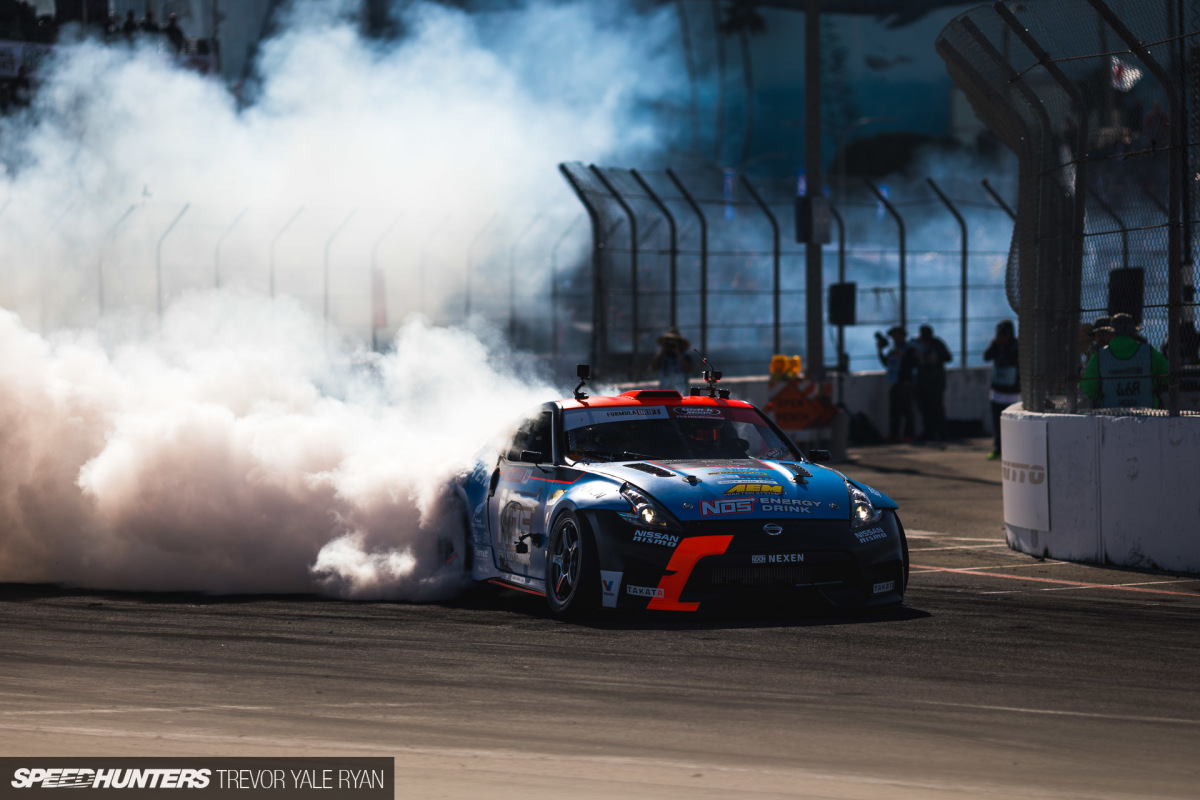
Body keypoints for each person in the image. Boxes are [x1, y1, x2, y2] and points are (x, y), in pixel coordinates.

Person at [1081, 313, 1167, 408]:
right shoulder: (1149, 352)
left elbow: (1089, 389)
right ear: (1134, 333)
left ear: (1111, 333)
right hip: (1148, 410)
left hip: (1110, 411)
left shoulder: (1100, 356)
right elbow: (1167, 376)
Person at [983, 320, 1019, 460]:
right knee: (997, 423)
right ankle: (998, 449)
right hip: (997, 391)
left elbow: (1015, 361)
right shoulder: (996, 345)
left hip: (1013, 392)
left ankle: (1013, 450)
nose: (1001, 336)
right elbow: (986, 357)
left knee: (1013, 423)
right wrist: (995, 344)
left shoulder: (1017, 346)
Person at [876, 326, 917, 442]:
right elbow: (887, 363)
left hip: (905, 382)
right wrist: (880, 351)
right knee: (894, 410)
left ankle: (908, 434)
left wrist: (903, 356)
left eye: (897, 336)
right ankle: (894, 434)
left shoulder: (909, 349)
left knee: (907, 409)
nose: (895, 338)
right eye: (893, 336)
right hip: (894, 382)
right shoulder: (892, 350)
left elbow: (914, 363)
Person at [912, 324, 952, 440]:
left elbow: (947, 357)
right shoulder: (916, 345)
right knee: (925, 409)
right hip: (922, 382)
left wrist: (935, 358)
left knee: (937, 408)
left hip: (935, 382)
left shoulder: (937, 344)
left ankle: (941, 432)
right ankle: (928, 432)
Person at [649, 326, 693, 393]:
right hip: (664, 391)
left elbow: (688, 369)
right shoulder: (662, 356)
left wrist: (678, 353)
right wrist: (662, 351)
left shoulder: (685, 356)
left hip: (680, 391)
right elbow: (653, 367)